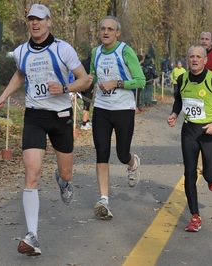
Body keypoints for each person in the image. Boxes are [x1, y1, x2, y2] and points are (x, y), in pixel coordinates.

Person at [0, 4, 91, 256]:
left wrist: (66, 87)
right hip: (34, 116)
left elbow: (85, 79)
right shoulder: (21, 51)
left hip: (61, 117)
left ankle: (63, 181)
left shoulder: (62, 49)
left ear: (49, 22)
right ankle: (32, 236)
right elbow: (20, 75)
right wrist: (3, 95)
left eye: (39, 19)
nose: (35, 24)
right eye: (31, 20)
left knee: (66, 173)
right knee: (32, 173)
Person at [167, 44, 212, 232]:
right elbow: (180, 99)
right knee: (189, 172)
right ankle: (195, 216)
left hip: (208, 131)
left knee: (209, 177)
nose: (194, 59)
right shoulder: (182, 79)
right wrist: (174, 113)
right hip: (189, 131)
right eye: (191, 56)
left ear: (205, 60)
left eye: (198, 57)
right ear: (187, 59)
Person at [90, 15, 145, 220]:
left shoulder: (125, 51)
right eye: (103, 28)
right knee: (102, 153)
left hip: (123, 108)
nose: (106, 32)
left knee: (122, 154)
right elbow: (93, 77)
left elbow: (140, 81)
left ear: (117, 33)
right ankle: (103, 199)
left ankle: (132, 162)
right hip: (102, 108)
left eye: (110, 29)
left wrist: (117, 83)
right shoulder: (96, 52)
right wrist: (86, 80)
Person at [80, 51, 95, 130]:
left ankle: (87, 120)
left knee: (85, 102)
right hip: (88, 86)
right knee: (87, 103)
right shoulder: (92, 64)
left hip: (81, 85)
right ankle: (84, 123)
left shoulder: (82, 62)